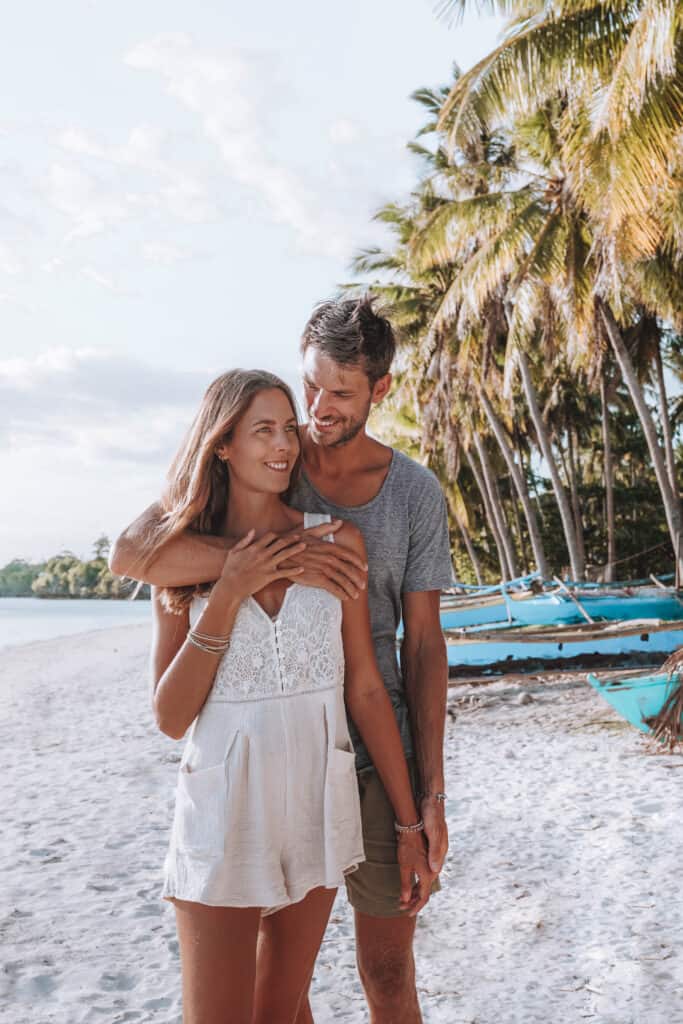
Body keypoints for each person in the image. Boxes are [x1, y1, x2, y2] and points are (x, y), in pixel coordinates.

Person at [110, 297, 452, 1024]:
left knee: (375, 975)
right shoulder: (254, 477)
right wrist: (264, 568)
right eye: (311, 387)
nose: (312, 415)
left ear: (379, 391)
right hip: (241, 780)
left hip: (350, 763)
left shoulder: (408, 498)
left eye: (340, 393)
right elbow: (133, 555)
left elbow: (411, 654)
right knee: (261, 1003)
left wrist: (424, 802)